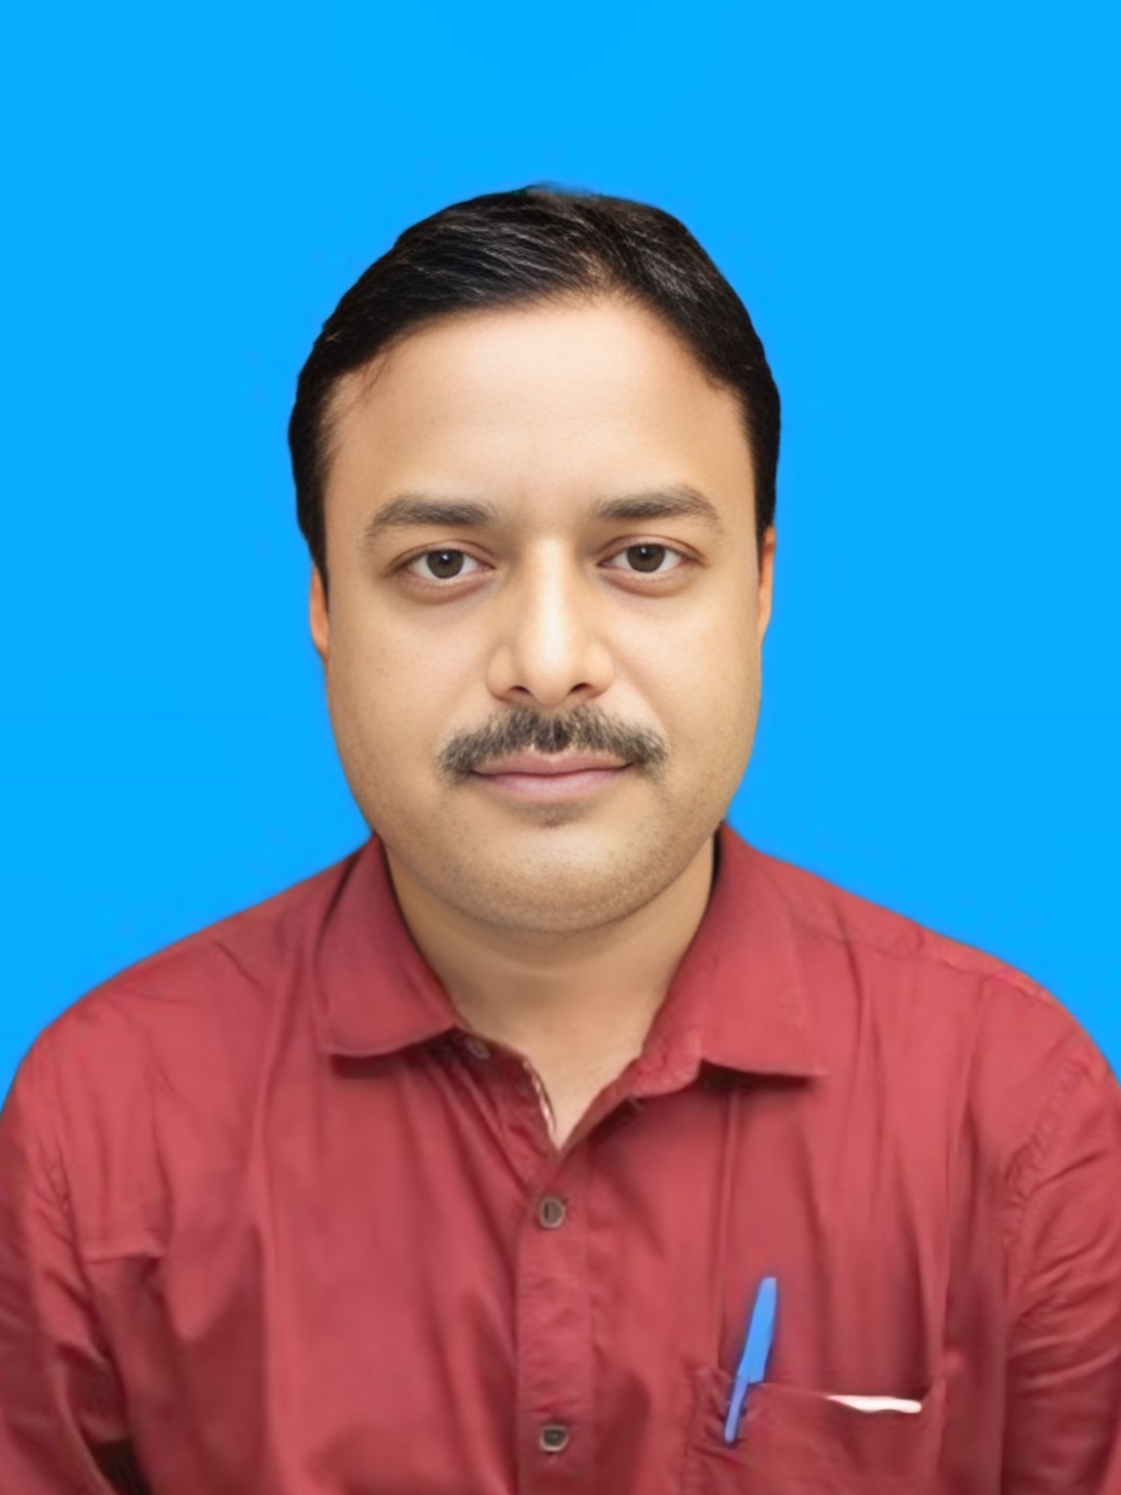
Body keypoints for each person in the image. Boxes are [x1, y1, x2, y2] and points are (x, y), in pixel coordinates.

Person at [1, 185, 1119, 1495]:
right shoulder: (103, 1129)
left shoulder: (1011, 1116)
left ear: (761, 583)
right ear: (324, 605)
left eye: (642, 555)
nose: (545, 661)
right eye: (443, 562)